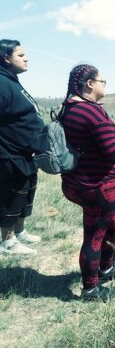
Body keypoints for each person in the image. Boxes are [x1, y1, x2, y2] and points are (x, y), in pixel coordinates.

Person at [60, 64, 115, 301]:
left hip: (78, 181)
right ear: (90, 84)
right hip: (97, 185)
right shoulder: (91, 111)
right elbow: (109, 148)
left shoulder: (69, 108)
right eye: (102, 81)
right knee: (94, 234)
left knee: (113, 221)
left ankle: (107, 269)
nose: (104, 85)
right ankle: (91, 288)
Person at [0, 39, 43, 256]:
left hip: (25, 153)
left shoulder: (11, 80)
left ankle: (19, 232)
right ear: (6, 58)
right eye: (20, 55)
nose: (26, 58)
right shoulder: (1, 83)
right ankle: (7, 241)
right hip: (10, 154)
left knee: (25, 193)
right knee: (11, 196)